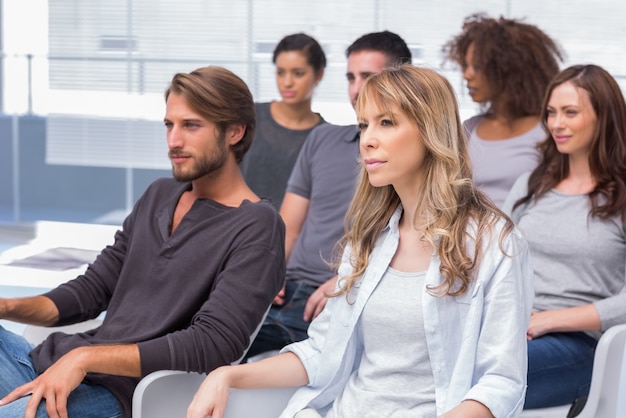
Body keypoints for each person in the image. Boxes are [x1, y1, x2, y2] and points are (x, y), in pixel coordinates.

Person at [187, 65, 533, 418]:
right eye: (363, 124)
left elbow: (500, 382)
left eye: (386, 122)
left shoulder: (496, 243)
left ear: (431, 131)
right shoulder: (369, 238)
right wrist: (226, 375)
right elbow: (323, 351)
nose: (367, 139)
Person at [0, 66, 285, 418]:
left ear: (235, 132)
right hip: (48, 364)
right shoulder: (158, 195)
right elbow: (91, 291)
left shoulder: (257, 225)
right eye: (169, 125)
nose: (173, 141)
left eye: (191, 125)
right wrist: (7, 305)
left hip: (120, 393)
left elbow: (215, 343)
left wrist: (86, 358)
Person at [244, 31, 412, 359]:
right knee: (195, 343)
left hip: (336, 299)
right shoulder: (322, 140)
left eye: (368, 77)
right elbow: (289, 227)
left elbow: (409, 246)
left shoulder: (407, 157)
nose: (356, 88)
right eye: (351, 77)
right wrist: (269, 273)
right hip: (281, 291)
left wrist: (347, 282)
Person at [502, 64, 626, 409]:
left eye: (570, 112)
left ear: (604, 116)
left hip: (581, 345)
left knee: (481, 372)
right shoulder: (530, 185)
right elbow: (495, 262)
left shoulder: (622, 197)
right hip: (511, 331)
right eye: (552, 113)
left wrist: (548, 320)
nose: (556, 124)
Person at [442, 13, 564, 207]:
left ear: (508, 69)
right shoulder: (469, 129)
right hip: (471, 233)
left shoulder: (549, 131)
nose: (467, 75)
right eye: (466, 65)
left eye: (478, 66)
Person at [241, 32, 327, 210]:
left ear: (319, 74)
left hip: (291, 234)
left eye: (298, 73)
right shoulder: (249, 117)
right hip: (238, 226)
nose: (287, 82)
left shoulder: (325, 137)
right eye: (281, 73)